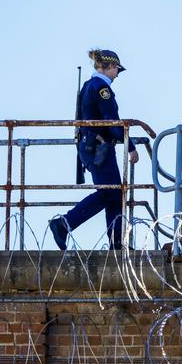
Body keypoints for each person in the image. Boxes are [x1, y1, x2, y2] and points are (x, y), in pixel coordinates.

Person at [50, 49, 139, 250]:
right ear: (109, 66)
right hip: (98, 147)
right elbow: (112, 122)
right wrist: (131, 147)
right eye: (117, 69)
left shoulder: (90, 85)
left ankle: (116, 242)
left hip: (96, 147)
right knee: (109, 192)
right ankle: (64, 223)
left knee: (115, 192)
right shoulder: (101, 88)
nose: (117, 74)